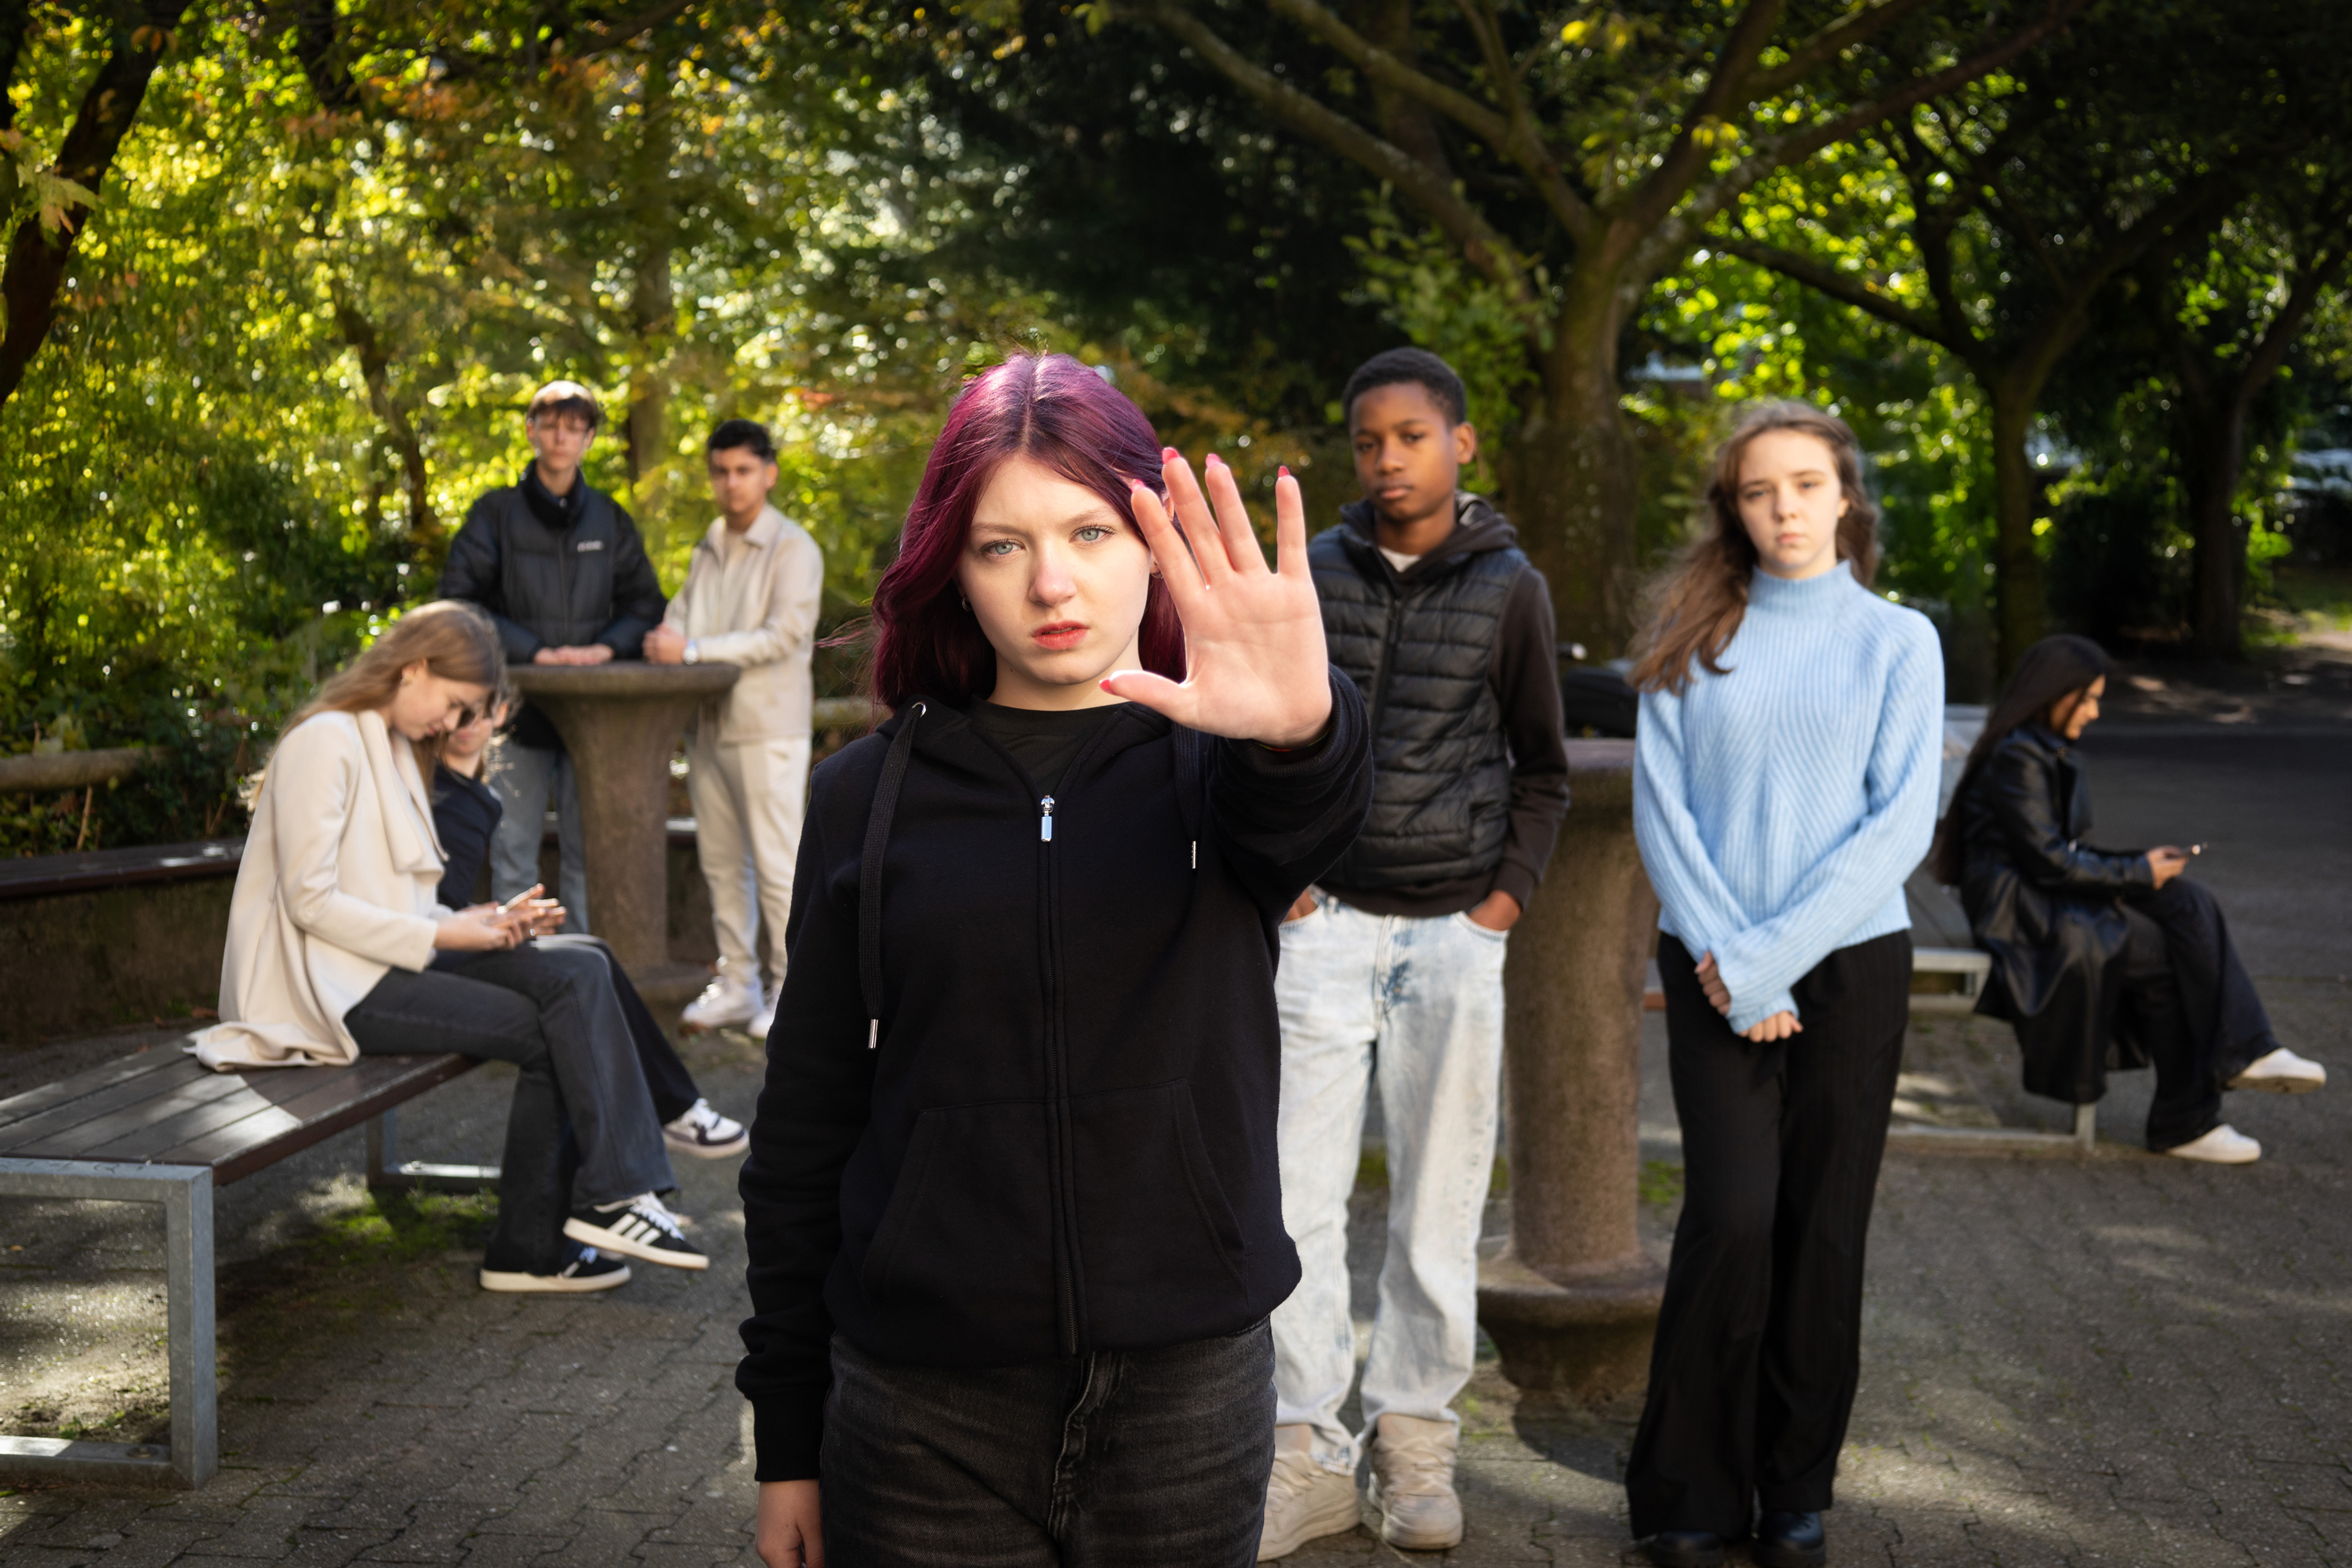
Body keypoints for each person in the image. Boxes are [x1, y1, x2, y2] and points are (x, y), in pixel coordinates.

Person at [734, 352, 1373, 1568]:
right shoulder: (865, 799)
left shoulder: (1225, 769)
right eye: (1001, 545)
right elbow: (804, 1130)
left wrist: (1303, 728)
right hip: (921, 1411)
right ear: (951, 573)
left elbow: (1317, 817)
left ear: (1156, 544)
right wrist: (788, 1440)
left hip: (1190, 1395)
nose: (1054, 583)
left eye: (1090, 529)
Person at [1259, 347, 1570, 1559]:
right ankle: (1305, 1445)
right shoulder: (1317, 571)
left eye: (1411, 437)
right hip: (1321, 926)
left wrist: (1502, 903)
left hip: (1452, 932)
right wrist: (1280, 883)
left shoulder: (1513, 589)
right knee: (1294, 1197)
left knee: (1441, 1197)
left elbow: (1543, 763)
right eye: (1368, 441)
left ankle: (1415, 1436)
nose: (1388, 459)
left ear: (1461, 444)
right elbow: (1265, 732)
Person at [1624, 403, 1944, 1568]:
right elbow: (1662, 819)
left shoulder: (1898, 641)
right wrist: (1730, 959)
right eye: (1761, 491)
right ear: (1734, 507)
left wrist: (1772, 959)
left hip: (1850, 962)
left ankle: (1795, 1486)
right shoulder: (1688, 632)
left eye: (1807, 485)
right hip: (1712, 954)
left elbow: (1895, 824)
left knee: (1823, 1228)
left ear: (1846, 495)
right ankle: (1685, 1494)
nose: (1786, 509)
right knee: (1734, 1215)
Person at [191, 601, 707, 1292]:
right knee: (562, 1014)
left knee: (580, 969)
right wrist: (444, 929)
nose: (457, 724)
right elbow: (308, 902)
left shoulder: (394, 746)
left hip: (374, 966)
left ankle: (574, 1221)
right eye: (456, 703)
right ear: (415, 668)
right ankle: (566, 1225)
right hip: (323, 990)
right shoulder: (326, 740)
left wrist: (482, 920)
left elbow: (393, 898)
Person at [1935, 634, 2325, 1163]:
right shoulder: (2018, 757)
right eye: (2088, 698)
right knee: (2166, 955)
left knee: (2188, 901)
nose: (2095, 713)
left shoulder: (2038, 747)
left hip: (2037, 893)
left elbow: (2052, 853)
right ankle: (2188, 1118)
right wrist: (2136, 871)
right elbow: (2048, 862)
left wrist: (2143, 869)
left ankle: (2250, 1052)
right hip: (2017, 911)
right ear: (2054, 693)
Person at [434, 700, 750, 1160]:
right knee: (579, 979)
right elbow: (419, 907)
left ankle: (668, 1119)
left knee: (592, 955)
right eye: (458, 710)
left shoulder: (476, 794)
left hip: (441, 937)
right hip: (418, 952)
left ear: (501, 712)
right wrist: (484, 923)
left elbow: (437, 905)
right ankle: (628, 1168)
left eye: (481, 712)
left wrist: (495, 918)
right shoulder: (428, 786)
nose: (468, 724)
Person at [439, 380, 666, 929]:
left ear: (589, 438)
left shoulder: (610, 520)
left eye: (574, 427)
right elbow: (458, 602)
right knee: (512, 847)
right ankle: (520, 969)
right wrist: (534, 652)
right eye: (551, 424)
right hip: (515, 716)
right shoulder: (494, 515)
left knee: (587, 852)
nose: (561, 437)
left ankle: (583, 968)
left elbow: (646, 604)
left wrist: (605, 648)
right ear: (531, 431)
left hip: (592, 723)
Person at [644, 419, 826, 1040]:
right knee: (722, 865)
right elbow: (679, 619)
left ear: (769, 474)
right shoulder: (709, 543)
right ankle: (739, 983)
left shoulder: (794, 547)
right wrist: (671, 640)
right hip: (708, 728)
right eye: (720, 471)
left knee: (779, 866)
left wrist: (689, 649)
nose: (731, 482)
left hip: (767, 728)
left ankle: (792, 989)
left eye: (743, 470)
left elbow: (784, 636)